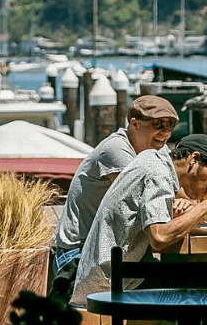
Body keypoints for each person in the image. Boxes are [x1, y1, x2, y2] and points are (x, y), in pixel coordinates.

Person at [71, 133, 207, 307]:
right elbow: (159, 238)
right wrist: (205, 207)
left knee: (201, 283)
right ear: (194, 159)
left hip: (112, 277)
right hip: (109, 286)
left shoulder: (153, 159)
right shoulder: (158, 173)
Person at [51, 94, 180, 295]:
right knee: (175, 292)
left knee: (180, 288)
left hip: (111, 252)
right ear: (135, 124)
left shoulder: (156, 149)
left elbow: (175, 195)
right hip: (79, 254)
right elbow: (144, 203)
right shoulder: (116, 150)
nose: (165, 133)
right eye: (158, 125)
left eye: (170, 125)